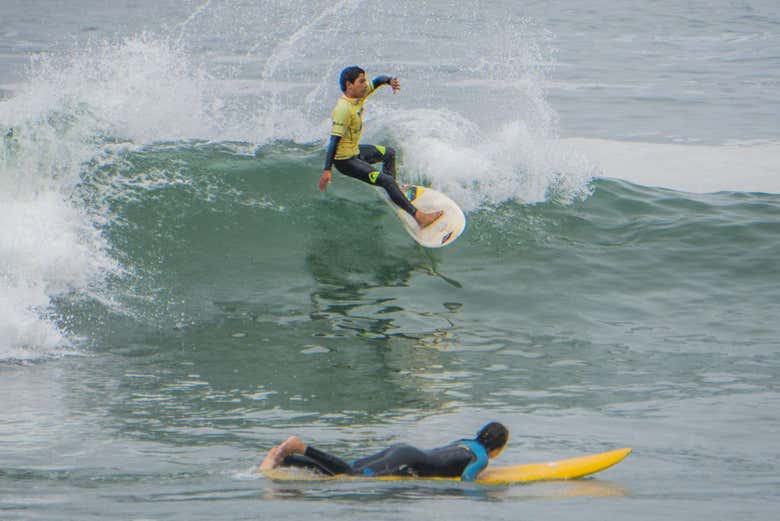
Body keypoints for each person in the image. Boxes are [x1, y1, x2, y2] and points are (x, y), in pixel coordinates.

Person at [319, 66, 443, 228]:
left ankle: (392, 190)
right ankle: (419, 217)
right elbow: (334, 141)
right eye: (361, 81)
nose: (365, 84)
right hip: (345, 161)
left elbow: (377, 81)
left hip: (355, 152)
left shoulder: (359, 95)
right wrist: (327, 170)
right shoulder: (343, 109)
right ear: (349, 85)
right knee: (387, 180)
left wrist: (389, 81)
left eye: (364, 80)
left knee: (389, 153)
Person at [260, 422, 509, 481]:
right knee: (351, 476)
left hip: (404, 450)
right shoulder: (482, 458)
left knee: (346, 468)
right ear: (498, 447)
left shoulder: (466, 441)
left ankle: (285, 458)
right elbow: (467, 480)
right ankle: (301, 447)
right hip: (407, 459)